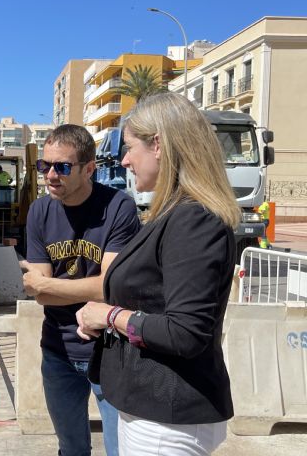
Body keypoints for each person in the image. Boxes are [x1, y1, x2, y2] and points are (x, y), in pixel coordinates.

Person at [76, 92, 241, 455]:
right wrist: (103, 320)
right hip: (152, 409)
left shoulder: (194, 221)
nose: (124, 160)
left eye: (130, 147)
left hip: (169, 416)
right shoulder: (175, 215)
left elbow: (184, 332)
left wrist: (109, 314)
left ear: (159, 145)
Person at [22, 124, 141, 456]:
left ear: (89, 168)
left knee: (122, 449)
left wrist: (47, 285)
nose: (50, 175)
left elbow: (112, 286)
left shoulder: (118, 207)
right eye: (44, 166)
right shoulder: (40, 211)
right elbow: (40, 294)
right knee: (71, 448)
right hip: (57, 352)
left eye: (62, 167)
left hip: (111, 352)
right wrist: (50, 288)